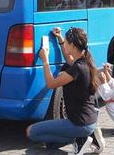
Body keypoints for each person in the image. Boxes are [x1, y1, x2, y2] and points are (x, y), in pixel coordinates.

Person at [26, 27, 103, 155]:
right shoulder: (85, 61)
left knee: (31, 132)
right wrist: (61, 38)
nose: (65, 45)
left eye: (67, 43)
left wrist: (45, 60)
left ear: (72, 45)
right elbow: (69, 59)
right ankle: (82, 137)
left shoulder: (77, 68)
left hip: (79, 123)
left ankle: (80, 138)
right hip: (89, 119)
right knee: (51, 144)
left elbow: (51, 84)